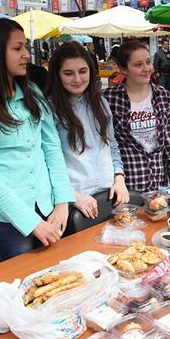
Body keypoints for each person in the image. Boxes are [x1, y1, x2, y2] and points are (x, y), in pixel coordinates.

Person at [0, 18, 74, 263]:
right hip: (8, 222)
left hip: (49, 208)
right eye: (17, 48)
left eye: (26, 47)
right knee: (22, 290)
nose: (26, 54)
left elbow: (52, 149)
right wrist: (31, 223)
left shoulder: (34, 95)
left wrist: (62, 201)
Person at [46, 41, 130, 226]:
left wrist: (119, 178)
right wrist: (72, 196)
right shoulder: (49, 109)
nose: (77, 79)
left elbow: (112, 144)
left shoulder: (100, 103)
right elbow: (48, 161)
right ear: (57, 75)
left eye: (82, 71)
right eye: (68, 73)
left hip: (110, 195)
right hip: (75, 202)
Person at [103, 40, 170, 198]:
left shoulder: (162, 96)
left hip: (159, 183)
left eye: (148, 62)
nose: (146, 69)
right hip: (127, 187)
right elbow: (107, 145)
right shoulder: (109, 99)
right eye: (138, 64)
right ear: (123, 69)